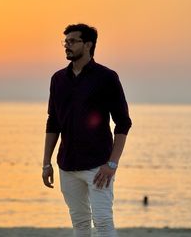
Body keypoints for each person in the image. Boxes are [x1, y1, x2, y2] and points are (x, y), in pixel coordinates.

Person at [42, 23, 132, 237]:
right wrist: (46, 162)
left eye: (72, 41)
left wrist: (112, 163)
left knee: (102, 221)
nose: (67, 46)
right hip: (67, 164)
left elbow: (123, 122)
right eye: (65, 42)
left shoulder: (107, 77)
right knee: (80, 222)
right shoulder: (58, 79)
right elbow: (53, 122)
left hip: (98, 166)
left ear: (88, 44)